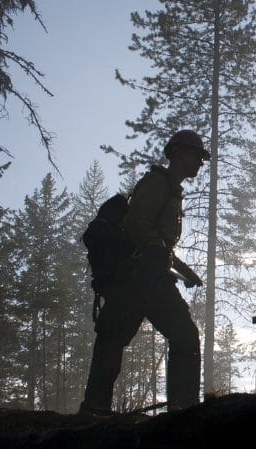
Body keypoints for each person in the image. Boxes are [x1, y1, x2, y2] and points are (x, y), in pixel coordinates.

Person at [79, 129, 207, 415]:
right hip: (136, 278)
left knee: (180, 336)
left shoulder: (171, 190)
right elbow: (137, 223)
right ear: (178, 154)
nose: (200, 162)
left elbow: (159, 241)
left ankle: (182, 408)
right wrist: (158, 252)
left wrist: (186, 272)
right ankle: (95, 408)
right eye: (196, 156)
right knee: (115, 337)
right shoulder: (157, 183)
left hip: (150, 277)